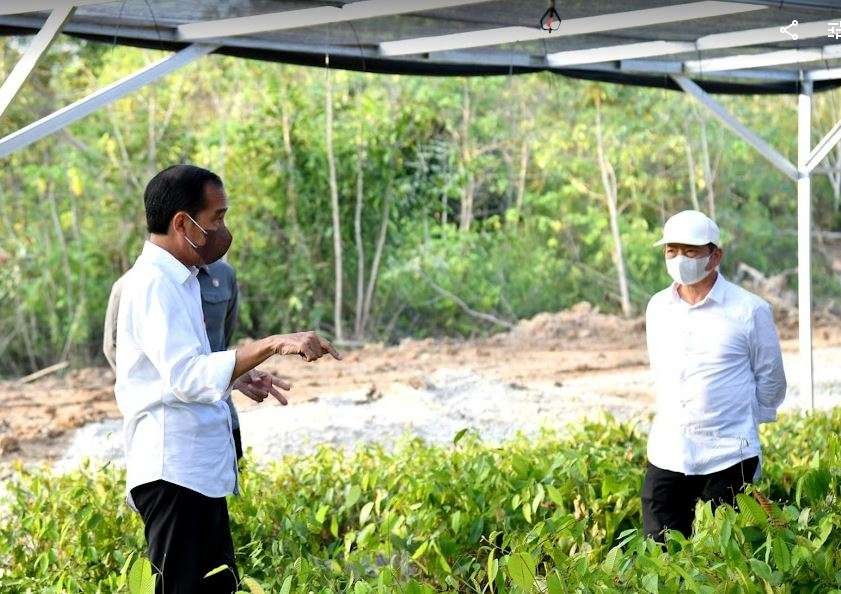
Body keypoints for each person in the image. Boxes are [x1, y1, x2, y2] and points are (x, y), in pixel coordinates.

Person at [115, 164, 341, 593]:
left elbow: (176, 369)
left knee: (218, 586)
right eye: (216, 217)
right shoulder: (152, 285)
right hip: (172, 470)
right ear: (183, 223)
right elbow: (184, 376)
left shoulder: (180, 281)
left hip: (193, 471)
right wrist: (273, 343)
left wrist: (236, 378)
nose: (223, 229)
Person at [642, 210, 787, 542]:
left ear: (715, 255)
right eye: (672, 251)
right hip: (669, 450)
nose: (680, 259)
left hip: (728, 454)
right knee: (660, 547)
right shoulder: (657, 307)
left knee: (724, 553)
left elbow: (771, 379)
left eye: (691, 252)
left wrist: (743, 423)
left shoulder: (749, 310)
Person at [104, 258, 250, 459]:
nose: (220, 230)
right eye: (214, 223)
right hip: (169, 431)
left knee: (229, 480)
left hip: (220, 414)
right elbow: (114, 347)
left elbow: (223, 339)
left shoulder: (223, 275)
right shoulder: (134, 283)